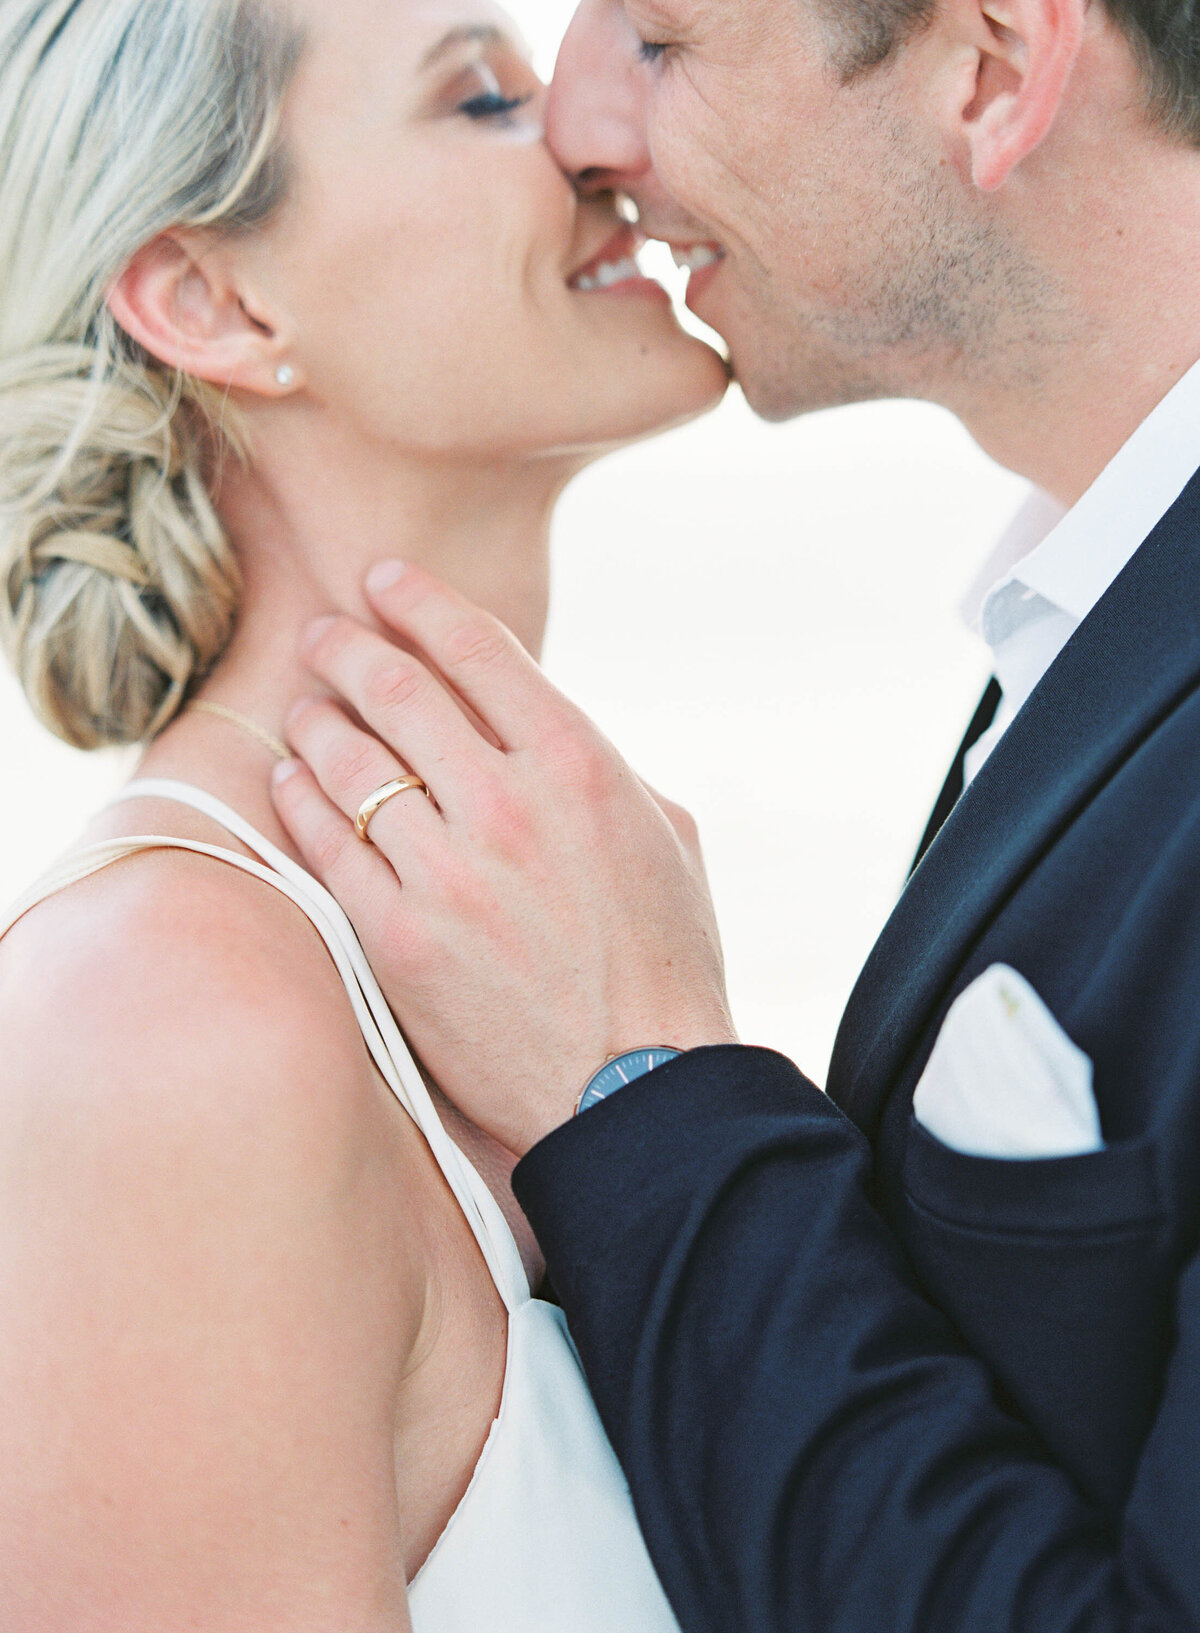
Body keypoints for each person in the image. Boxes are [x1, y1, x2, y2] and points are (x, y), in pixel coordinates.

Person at [269, 0, 1200, 1625]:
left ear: (989, 70)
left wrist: (639, 1085)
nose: (578, 128)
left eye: (662, 37)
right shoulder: (1081, 611)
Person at [0, 0, 728, 1626]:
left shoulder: (579, 925)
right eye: (480, 102)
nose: (603, 142)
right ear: (214, 297)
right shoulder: (164, 1018)